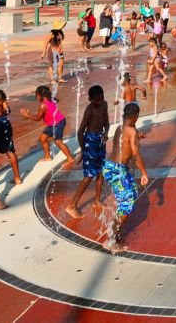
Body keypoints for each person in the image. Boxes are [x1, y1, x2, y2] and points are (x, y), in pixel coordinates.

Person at [102, 102, 149, 252]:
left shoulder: (120, 128)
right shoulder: (132, 132)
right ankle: (111, 239)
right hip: (117, 170)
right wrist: (144, 173)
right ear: (136, 117)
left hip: (111, 167)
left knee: (133, 192)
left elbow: (125, 140)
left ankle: (114, 229)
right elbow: (135, 155)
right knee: (127, 203)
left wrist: (137, 135)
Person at [65, 85, 109, 218]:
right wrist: (84, 150)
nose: (99, 101)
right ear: (90, 99)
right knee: (89, 175)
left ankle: (97, 200)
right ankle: (72, 205)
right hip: (90, 141)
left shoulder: (105, 105)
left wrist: (106, 133)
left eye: (101, 98)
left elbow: (106, 123)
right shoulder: (89, 110)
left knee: (101, 172)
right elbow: (80, 132)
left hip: (100, 140)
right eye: (96, 100)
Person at [20, 85, 77, 164]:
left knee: (58, 142)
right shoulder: (51, 100)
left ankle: (70, 158)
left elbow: (37, 118)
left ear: (40, 96)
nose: (36, 98)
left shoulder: (43, 105)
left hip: (57, 123)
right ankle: (48, 157)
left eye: (36, 96)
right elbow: (46, 111)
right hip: (56, 123)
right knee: (42, 139)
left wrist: (27, 115)